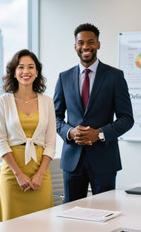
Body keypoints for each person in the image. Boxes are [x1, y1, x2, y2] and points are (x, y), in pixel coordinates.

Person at [53, 23, 134, 203]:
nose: (86, 47)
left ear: (98, 44)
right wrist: (70, 132)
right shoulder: (63, 77)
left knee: (105, 214)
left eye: (91, 42)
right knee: (71, 216)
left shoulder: (115, 77)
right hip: (72, 161)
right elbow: (55, 118)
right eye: (81, 43)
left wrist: (99, 134)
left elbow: (127, 119)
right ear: (75, 46)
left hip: (104, 159)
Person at [0, 49, 56, 221]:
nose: (26, 71)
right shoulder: (3, 101)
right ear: (14, 72)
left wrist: (40, 174)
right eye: (21, 67)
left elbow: (51, 142)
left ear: (37, 72)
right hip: (12, 175)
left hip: (40, 174)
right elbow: (0, 141)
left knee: (41, 229)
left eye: (31, 67)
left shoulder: (47, 101)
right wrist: (19, 175)